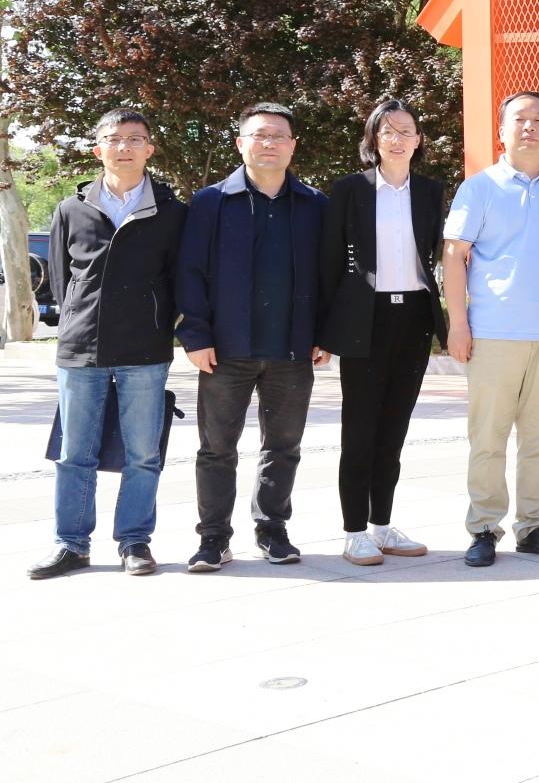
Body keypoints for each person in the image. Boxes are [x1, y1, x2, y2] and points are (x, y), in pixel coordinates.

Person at [29, 110, 187, 579]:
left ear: (149, 149)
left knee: (143, 454)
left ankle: (134, 541)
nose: (124, 147)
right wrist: (76, 319)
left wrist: (161, 323)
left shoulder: (173, 212)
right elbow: (62, 279)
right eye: (114, 139)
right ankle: (71, 544)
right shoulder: (71, 208)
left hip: (146, 349)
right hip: (81, 349)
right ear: (98, 150)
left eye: (135, 139)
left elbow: (180, 279)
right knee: (74, 453)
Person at [444, 90, 539, 569]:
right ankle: (483, 528)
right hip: (492, 333)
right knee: (488, 438)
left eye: (538, 120)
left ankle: (533, 526)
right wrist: (458, 324)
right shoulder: (479, 188)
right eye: (519, 119)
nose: (529, 127)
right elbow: (454, 255)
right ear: (502, 130)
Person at [177, 103, 329, 572]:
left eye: (279, 136)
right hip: (224, 350)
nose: (269, 143)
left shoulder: (315, 206)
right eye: (260, 135)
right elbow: (190, 272)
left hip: (292, 348)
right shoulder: (209, 202)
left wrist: (325, 333)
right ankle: (213, 538)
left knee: (283, 447)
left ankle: (272, 530)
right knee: (216, 449)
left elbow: (330, 277)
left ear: (293, 146)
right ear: (241, 143)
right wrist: (195, 335)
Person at [317, 99, 448, 567]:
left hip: (414, 317)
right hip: (363, 318)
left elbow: (437, 255)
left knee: (394, 428)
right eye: (387, 131)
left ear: (418, 140)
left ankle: (381, 526)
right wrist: (323, 332)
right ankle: (354, 531)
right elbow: (330, 262)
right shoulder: (350, 189)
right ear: (374, 139)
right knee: (360, 428)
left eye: (405, 130)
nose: (397, 139)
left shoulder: (431, 190)